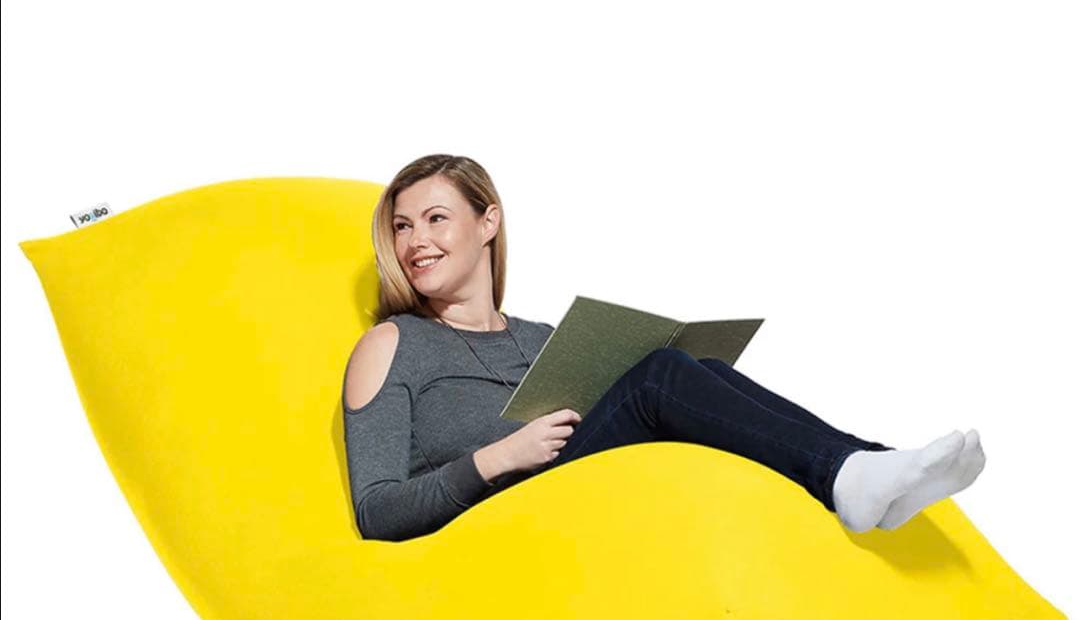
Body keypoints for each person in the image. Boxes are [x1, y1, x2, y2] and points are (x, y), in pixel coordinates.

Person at [342, 154, 986, 543]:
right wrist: (497, 458)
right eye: (402, 226)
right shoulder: (393, 343)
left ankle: (866, 464)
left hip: (599, 496)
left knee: (698, 367)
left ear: (488, 223)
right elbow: (375, 511)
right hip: (502, 521)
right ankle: (850, 477)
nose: (415, 241)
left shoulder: (540, 338)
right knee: (659, 378)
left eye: (435, 219)